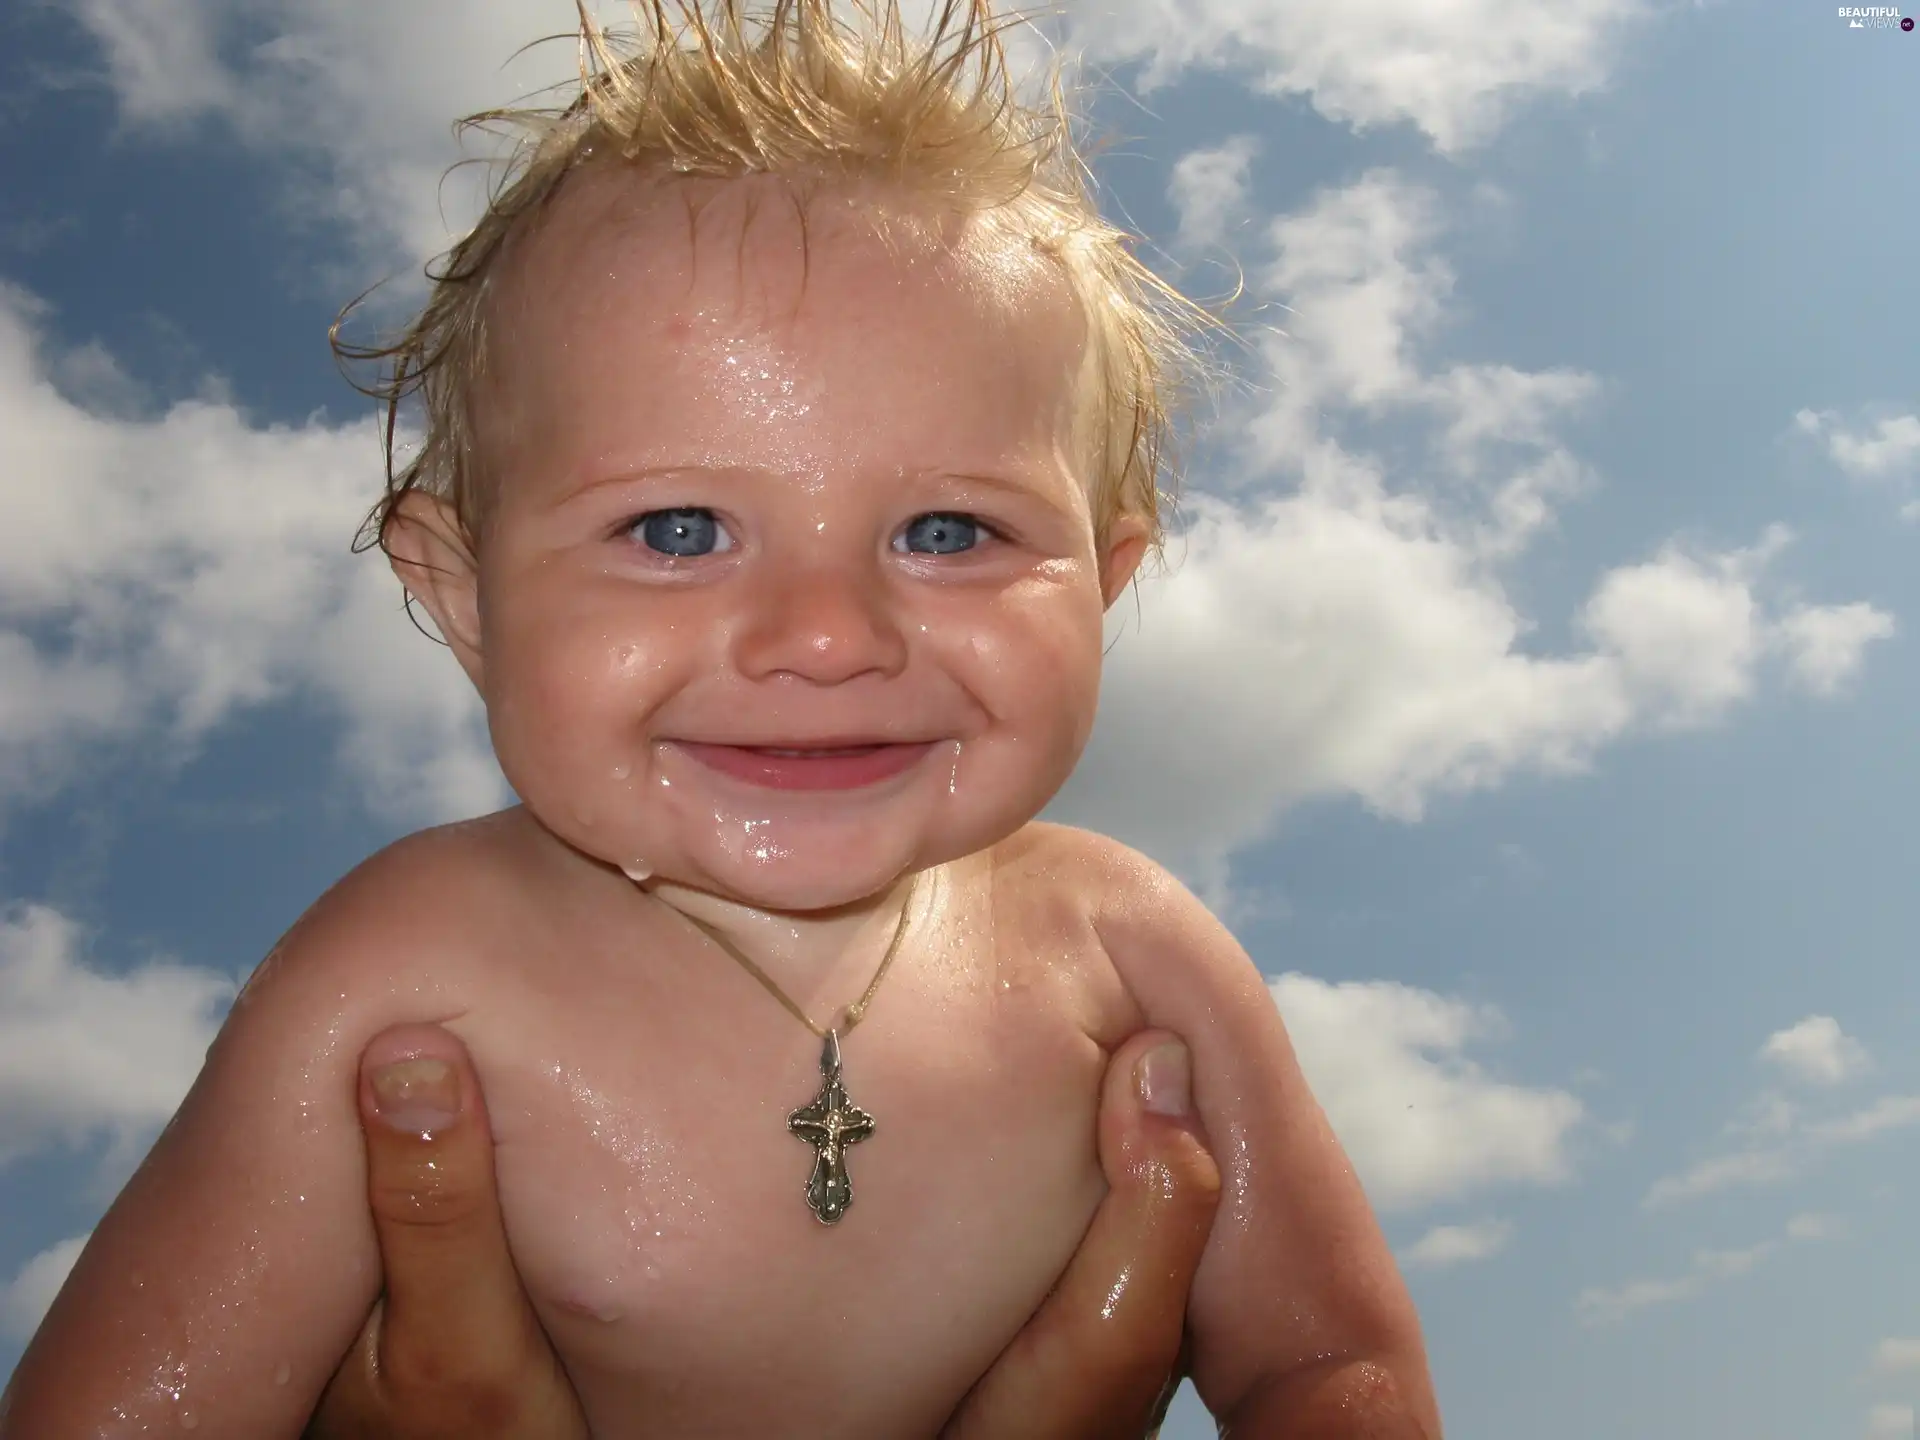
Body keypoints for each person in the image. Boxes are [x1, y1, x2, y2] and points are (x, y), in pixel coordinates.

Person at [1, 1, 1442, 1435]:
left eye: (948, 533)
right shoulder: (404, 972)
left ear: (1107, 583)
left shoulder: (1132, 956)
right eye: (679, 528)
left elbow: (1331, 1369)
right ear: (463, 599)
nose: (826, 635)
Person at [303, 1022, 1223, 1438]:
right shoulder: (407, 940)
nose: (819, 637)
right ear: (462, 621)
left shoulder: (1123, 925)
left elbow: (1333, 1369)